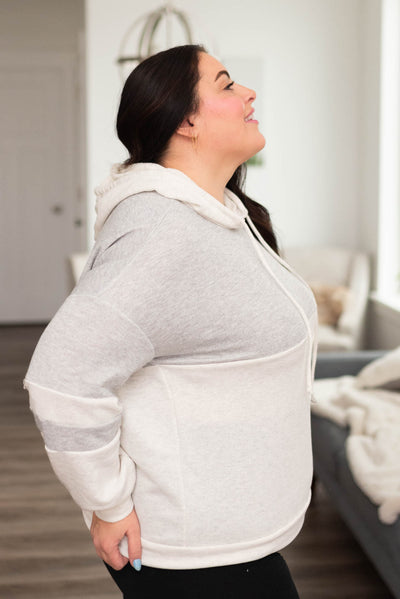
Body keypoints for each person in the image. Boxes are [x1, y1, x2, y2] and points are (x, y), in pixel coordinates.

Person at [23, 44, 319, 598]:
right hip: (191, 548)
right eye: (227, 85)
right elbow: (62, 380)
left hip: (230, 531)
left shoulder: (223, 215)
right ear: (185, 120)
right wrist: (106, 503)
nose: (249, 93)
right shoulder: (161, 233)